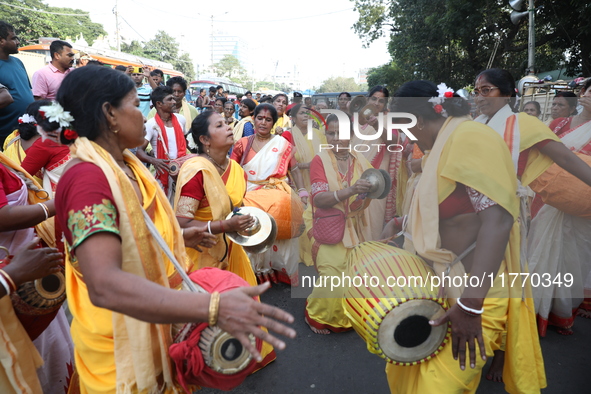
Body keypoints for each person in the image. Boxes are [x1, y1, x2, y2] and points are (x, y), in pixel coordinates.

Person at [52, 66, 296, 392]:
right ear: (110, 114)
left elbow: (136, 239)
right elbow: (104, 285)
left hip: (157, 320)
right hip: (121, 346)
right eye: (134, 106)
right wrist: (213, 307)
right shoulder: (87, 179)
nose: (144, 116)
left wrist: (182, 235)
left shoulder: (129, 166)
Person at [383, 79, 545, 394]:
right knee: (410, 373)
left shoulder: (469, 138)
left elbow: (496, 221)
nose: (407, 137)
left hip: (477, 291)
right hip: (438, 287)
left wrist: (471, 305)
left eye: (406, 128)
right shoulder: (444, 144)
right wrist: (403, 223)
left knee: (440, 387)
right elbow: (448, 206)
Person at [472, 68, 591, 382]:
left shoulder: (523, 123)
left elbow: (565, 159)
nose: (479, 96)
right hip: (472, 218)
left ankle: (502, 354)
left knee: (508, 289)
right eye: (477, 90)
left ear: (508, 93)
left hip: (506, 220)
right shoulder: (476, 125)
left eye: (486, 90)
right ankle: (481, 342)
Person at [174, 111, 276, 369]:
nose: (229, 127)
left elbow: (237, 209)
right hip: (200, 254)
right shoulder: (196, 172)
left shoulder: (237, 171)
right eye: (219, 125)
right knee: (202, 320)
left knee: (242, 304)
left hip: (231, 250)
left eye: (227, 122)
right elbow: (181, 224)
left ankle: (238, 358)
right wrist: (224, 225)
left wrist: (248, 225)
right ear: (204, 140)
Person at [0, 150, 74, 394]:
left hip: (27, 271)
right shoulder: (44, 145)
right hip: (14, 276)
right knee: (29, 360)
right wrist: (59, 201)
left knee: (54, 352)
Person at [528, 77, 591, 336]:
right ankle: (532, 309)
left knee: (571, 259)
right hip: (546, 202)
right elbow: (541, 156)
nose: (589, 94)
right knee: (538, 251)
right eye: (589, 89)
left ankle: (559, 312)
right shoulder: (558, 124)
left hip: (580, 209)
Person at [304, 114, 373, 334]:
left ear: (351, 135)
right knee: (332, 275)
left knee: (352, 274)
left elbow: (375, 187)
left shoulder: (360, 160)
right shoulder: (319, 160)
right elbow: (319, 199)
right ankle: (315, 315)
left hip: (354, 223)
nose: (335, 139)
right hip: (325, 221)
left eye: (340, 134)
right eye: (331, 133)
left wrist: (367, 192)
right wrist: (351, 190)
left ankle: (347, 314)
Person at [231, 103, 307, 285]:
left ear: (273, 122)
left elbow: (294, 169)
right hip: (249, 194)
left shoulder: (282, 144)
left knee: (283, 233)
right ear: (253, 119)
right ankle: (254, 273)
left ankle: (279, 273)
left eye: (268, 119)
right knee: (252, 231)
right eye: (260, 118)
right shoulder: (242, 143)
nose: (263, 122)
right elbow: (232, 171)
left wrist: (303, 191)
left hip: (277, 194)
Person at [352, 85, 410, 241]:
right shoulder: (355, 120)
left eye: (381, 101)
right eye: (374, 99)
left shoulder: (388, 120)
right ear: (367, 99)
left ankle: (371, 253)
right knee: (351, 220)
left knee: (373, 220)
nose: (377, 103)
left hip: (376, 179)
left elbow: (393, 141)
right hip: (353, 175)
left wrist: (377, 126)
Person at [289, 103, 327, 267]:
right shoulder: (288, 135)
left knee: (318, 218)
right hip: (297, 182)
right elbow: (286, 162)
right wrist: (306, 165)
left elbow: (328, 153)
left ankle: (317, 252)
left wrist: (317, 165)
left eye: (309, 113)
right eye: (302, 113)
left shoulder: (318, 134)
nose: (306, 116)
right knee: (301, 218)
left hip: (318, 182)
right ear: (294, 118)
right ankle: (300, 254)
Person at [137, 86, 188, 199]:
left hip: (182, 173)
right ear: (159, 104)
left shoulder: (181, 120)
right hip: (162, 176)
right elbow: (138, 151)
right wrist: (153, 160)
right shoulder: (151, 124)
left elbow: (185, 143)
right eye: (170, 99)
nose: (174, 102)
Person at [0, 22, 34, 147]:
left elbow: (27, 91)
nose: (18, 42)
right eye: (13, 38)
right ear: (1, 41)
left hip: (26, 129)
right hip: (5, 134)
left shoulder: (18, 62)